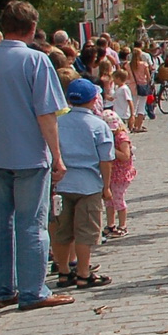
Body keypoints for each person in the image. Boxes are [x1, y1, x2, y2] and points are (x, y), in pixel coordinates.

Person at [0, 0, 72, 312]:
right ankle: (33, 290)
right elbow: (47, 114)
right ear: (32, 28)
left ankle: (0, 289)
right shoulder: (36, 61)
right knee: (32, 224)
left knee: (0, 225)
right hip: (29, 153)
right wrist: (57, 156)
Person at [51, 78, 113, 289]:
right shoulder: (98, 125)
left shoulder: (58, 123)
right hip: (89, 184)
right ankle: (84, 273)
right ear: (94, 99)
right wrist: (106, 186)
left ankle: (63, 271)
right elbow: (105, 159)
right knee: (86, 232)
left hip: (62, 184)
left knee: (63, 231)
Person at [96, 82, 135, 238]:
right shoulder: (109, 136)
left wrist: (111, 150)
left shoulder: (121, 137)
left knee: (118, 198)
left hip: (121, 173)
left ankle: (122, 225)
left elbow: (125, 156)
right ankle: (110, 224)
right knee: (109, 200)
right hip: (110, 173)